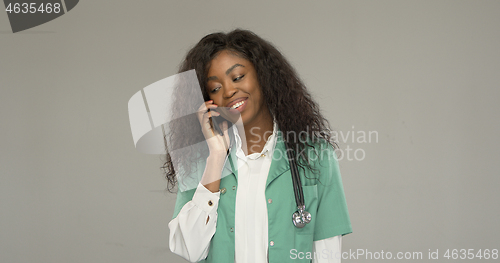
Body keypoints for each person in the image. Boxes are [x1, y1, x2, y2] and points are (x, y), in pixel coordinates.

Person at [164, 29, 352, 263]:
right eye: (215, 88)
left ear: (263, 76)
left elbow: (327, 256)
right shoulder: (200, 161)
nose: (229, 91)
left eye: (238, 77)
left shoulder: (315, 156)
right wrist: (215, 158)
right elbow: (189, 249)